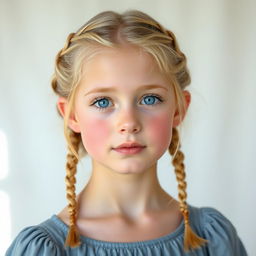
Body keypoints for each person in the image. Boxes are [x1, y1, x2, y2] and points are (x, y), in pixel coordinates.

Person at [5, 9, 247, 256]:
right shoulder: (44, 249)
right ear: (73, 115)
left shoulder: (211, 236)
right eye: (102, 102)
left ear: (179, 109)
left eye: (150, 98)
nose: (128, 123)